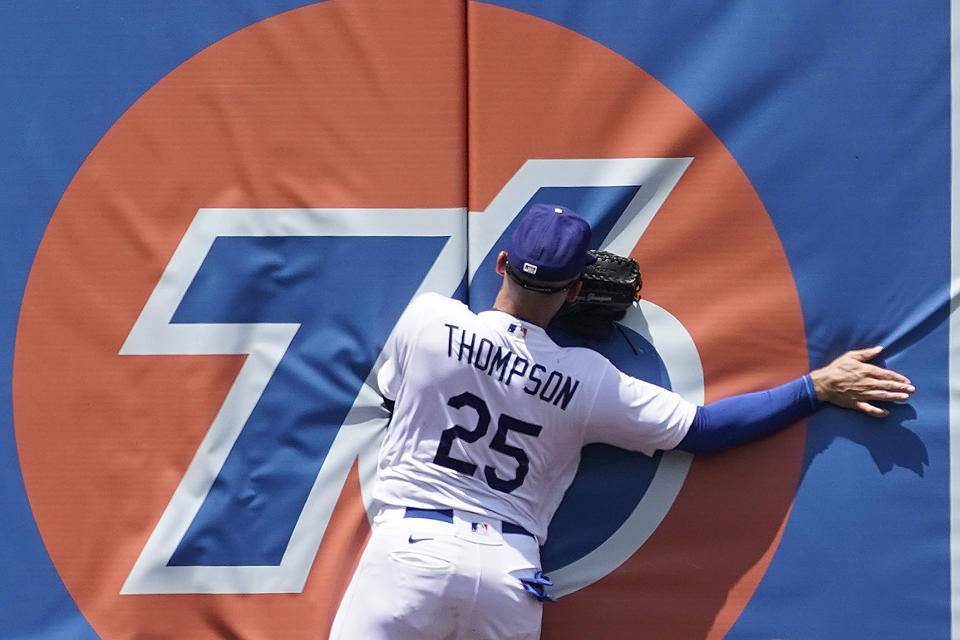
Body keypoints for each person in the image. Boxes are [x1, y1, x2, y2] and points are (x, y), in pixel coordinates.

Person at [328, 203, 914, 640]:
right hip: (508, 574)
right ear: (579, 289)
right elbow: (705, 432)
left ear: (502, 262)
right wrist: (816, 387)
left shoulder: (429, 320)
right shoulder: (588, 378)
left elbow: (394, 397)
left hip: (411, 548)